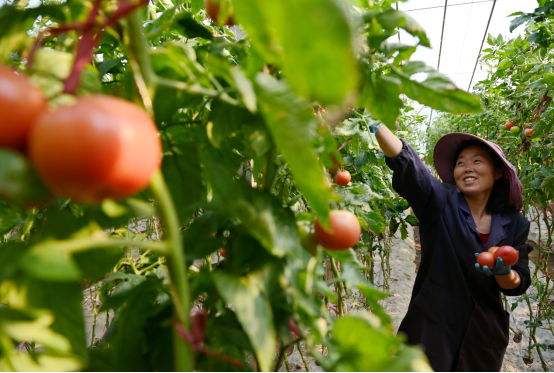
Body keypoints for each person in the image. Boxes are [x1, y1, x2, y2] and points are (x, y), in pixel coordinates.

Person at [370, 124, 533, 372]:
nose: (467, 167)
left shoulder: (515, 222)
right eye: (460, 163)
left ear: (498, 172)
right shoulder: (439, 200)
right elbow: (410, 167)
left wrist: (504, 273)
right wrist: (376, 125)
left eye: (478, 161)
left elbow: (518, 282)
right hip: (432, 325)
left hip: (483, 331)